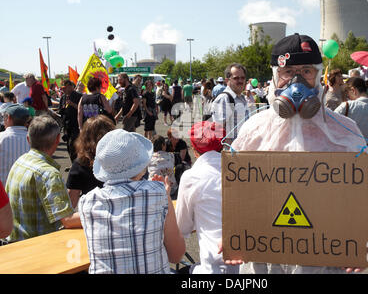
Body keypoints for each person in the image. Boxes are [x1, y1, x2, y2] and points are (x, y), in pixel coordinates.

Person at [230, 33, 368, 274]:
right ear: (274, 76)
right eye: (288, 72)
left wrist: (357, 236)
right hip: (263, 262)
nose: (296, 80)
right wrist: (231, 232)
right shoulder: (253, 128)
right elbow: (232, 188)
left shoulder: (344, 130)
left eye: (306, 71)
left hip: (325, 259)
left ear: (318, 75)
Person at [78, 129, 185, 274]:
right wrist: (164, 197)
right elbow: (176, 255)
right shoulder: (158, 193)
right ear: (141, 164)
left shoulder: (87, 202)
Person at [176, 121, 239, 274]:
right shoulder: (242, 170)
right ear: (222, 145)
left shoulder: (191, 177)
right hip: (248, 266)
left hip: (214, 267)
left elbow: (182, 227)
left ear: (194, 150)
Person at [6, 115, 81, 242]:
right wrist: (98, 212)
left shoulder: (20, 161)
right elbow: (67, 220)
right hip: (38, 247)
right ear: (57, 139)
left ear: (28, 139)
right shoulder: (49, 174)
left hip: (15, 243)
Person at [335, 77, 368, 241]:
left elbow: (331, 129)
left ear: (353, 90)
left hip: (348, 157)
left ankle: (351, 239)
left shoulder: (346, 107)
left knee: (347, 200)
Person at [66, 115, 116, 209]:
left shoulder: (80, 163)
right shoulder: (122, 160)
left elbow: (71, 203)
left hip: (92, 213)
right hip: (120, 211)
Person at [211, 63, 249, 144]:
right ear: (227, 80)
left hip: (243, 148)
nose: (240, 81)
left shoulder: (242, 98)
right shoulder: (224, 98)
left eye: (243, 78)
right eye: (236, 78)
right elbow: (218, 130)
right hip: (231, 151)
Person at [0, 104, 31, 186]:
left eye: (4, 117)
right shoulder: (35, 140)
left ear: (9, 118)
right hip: (26, 192)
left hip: (2, 193)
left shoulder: (1, 137)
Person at [59, 80, 83, 162]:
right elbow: (60, 111)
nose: (63, 90)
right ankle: (73, 163)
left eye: (64, 88)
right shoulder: (63, 97)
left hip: (76, 124)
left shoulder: (79, 96)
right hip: (66, 125)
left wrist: (73, 104)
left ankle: (77, 164)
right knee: (69, 146)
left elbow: (82, 110)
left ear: (70, 86)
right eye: (62, 88)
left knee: (74, 144)